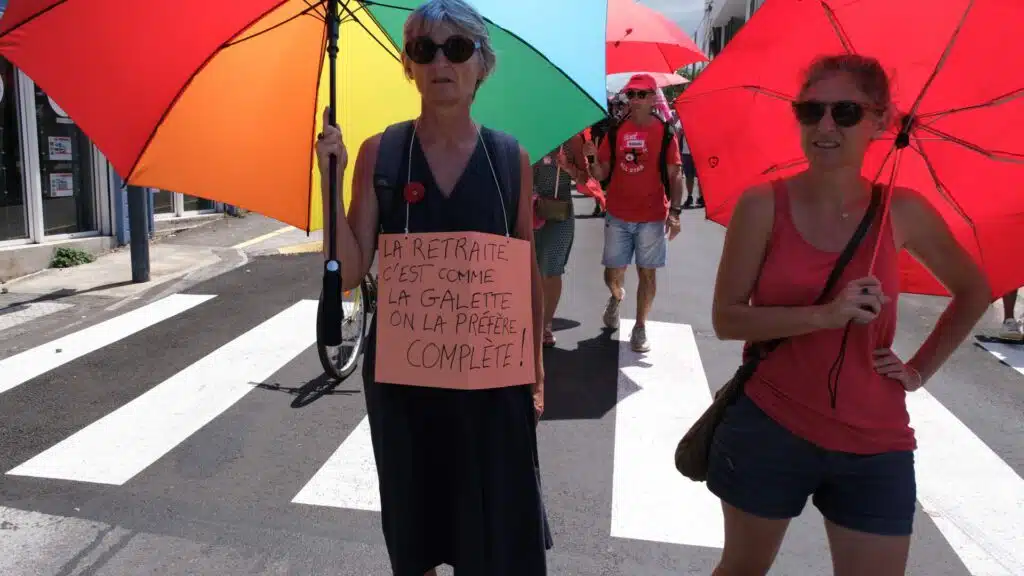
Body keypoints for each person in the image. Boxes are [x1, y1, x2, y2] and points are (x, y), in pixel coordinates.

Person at [707, 54, 991, 575]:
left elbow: (974, 290)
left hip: (875, 440)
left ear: (882, 121)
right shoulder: (762, 204)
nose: (825, 126)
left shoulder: (902, 211)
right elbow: (728, 319)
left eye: (845, 111)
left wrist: (917, 371)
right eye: (810, 110)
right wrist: (824, 315)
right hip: (771, 422)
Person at [314, 1, 550, 574]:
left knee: (491, 534)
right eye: (425, 49)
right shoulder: (381, 153)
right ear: (410, 66)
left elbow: (524, 273)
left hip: (492, 383)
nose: (441, 61)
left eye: (457, 48)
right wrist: (331, 178)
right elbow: (346, 272)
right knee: (415, 528)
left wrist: (537, 375)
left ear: (480, 66)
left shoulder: (508, 159)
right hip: (405, 383)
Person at [584, 73, 684, 353]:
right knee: (612, 273)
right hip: (618, 213)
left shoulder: (665, 132)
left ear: (653, 98)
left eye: (642, 94)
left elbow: (675, 174)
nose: (636, 100)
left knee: (647, 274)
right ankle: (616, 297)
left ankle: (640, 326)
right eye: (632, 94)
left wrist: (675, 212)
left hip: (652, 215)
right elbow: (601, 173)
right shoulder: (616, 132)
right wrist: (591, 158)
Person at [533, 133, 588, 347]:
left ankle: (545, 324)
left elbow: (585, 179)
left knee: (551, 268)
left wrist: (567, 167)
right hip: (527, 208)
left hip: (558, 212)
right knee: (528, 270)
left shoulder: (571, 138)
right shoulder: (524, 133)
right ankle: (528, 319)